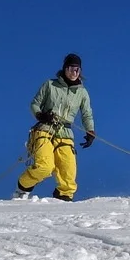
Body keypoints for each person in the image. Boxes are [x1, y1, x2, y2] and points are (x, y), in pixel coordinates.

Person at [12, 53, 96, 201]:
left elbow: (87, 114)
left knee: (68, 174)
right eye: (71, 68)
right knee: (44, 166)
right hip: (45, 129)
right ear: (64, 69)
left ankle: (63, 202)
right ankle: (22, 190)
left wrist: (90, 131)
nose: (73, 72)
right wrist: (40, 115)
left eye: (77, 70)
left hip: (65, 133)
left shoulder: (82, 92)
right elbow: (35, 104)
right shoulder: (50, 85)